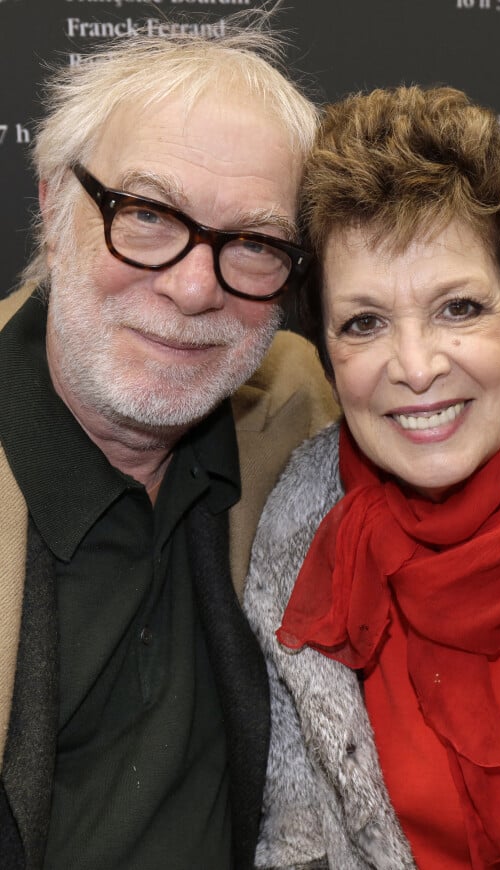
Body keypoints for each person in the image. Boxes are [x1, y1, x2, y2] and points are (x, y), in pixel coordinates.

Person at [0, 24, 338, 870]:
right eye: (146, 215)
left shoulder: (299, 414)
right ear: (51, 207)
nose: (193, 288)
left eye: (254, 244)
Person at [244, 85, 500, 869]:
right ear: (328, 358)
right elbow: (295, 848)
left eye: (459, 309)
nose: (418, 367)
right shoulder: (298, 537)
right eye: (364, 323)